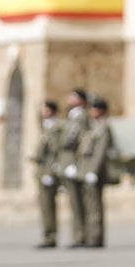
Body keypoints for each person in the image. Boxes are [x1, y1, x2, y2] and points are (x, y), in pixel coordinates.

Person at [80, 98, 114, 248]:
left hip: (96, 171)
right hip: (88, 169)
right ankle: (89, 236)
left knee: (95, 206)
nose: (91, 112)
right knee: (88, 204)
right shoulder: (94, 126)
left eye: (94, 109)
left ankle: (96, 237)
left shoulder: (103, 127)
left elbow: (100, 152)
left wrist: (93, 171)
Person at [60, 89, 90, 248]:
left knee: (79, 203)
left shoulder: (81, 116)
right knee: (73, 203)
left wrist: (77, 163)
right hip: (69, 162)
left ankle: (82, 236)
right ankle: (78, 235)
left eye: (73, 96)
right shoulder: (72, 116)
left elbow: (80, 139)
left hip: (76, 162)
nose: (69, 98)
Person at [34, 100, 62, 249]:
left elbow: (55, 151)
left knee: (49, 205)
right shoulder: (46, 126)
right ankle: (47, 235)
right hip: (42, 170)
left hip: (48, 171)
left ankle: (51, 236)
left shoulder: (56, 127)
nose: (42, 112)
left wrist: (51, 171)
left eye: (44, 109)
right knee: (44, 206)